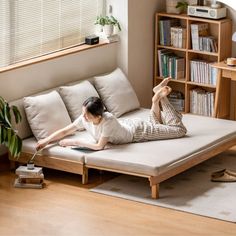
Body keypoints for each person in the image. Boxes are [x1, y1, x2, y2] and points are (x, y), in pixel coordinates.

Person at [36, 78, 187, 151]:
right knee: (158, 125)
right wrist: (46, 141)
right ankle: (156, 98)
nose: (84, 117)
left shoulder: (107, 121)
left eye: (87, 115)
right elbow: (65, 130)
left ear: (98, 116)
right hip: (128, 126)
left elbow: (99, 146)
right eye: (83, 113)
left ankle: (162, 97)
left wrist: (72, 143)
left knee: (179, 130)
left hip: (139, 132)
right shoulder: (85, 118)